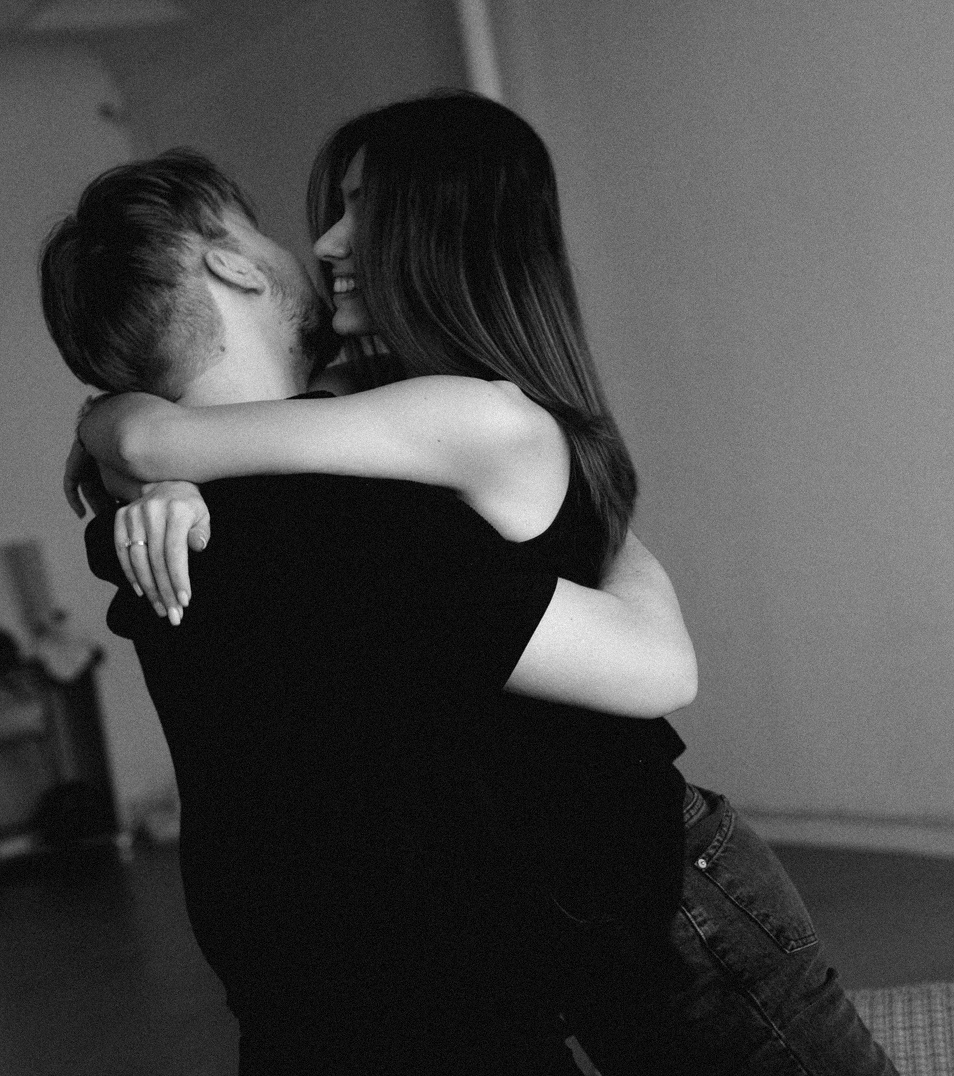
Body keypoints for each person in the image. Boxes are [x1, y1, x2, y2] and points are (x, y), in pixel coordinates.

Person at [71, 92, 901, 1075]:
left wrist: (139, 445)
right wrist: (139, 455)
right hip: (577, 907)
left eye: (358, 206)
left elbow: (664, 668)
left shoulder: (457, 427)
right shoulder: (364, 423)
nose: (322, 240)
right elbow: (208, 442)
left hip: (662, 879)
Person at [41, 148, 699, 1074]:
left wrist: (127, 436)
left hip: (301, 1013)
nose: (311, 247)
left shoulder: (150, 518)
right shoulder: (346, 528)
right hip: (440, 1015)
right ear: (231, 261)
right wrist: (607, 528)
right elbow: (658, 668)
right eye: (262, 230)